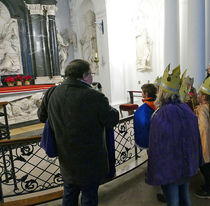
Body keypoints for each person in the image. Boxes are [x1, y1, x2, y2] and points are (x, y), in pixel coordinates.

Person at [38, 59, 119, 206]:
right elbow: (111, 120)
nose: (92, 78)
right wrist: (112, 109)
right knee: (89, 196)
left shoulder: (52, 92)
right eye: (91, 74)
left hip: (65, 155)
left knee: (69, 192)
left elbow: (42, 117)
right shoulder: (94, 96)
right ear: (84, 75)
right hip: (90, 158)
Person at [147, 64, 203, 206]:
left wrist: (156, 170)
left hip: (170, 168)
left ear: (163, 93)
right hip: (186, 164)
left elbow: (157, 146)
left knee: (173, 201)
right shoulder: (186, 109)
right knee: (184, 196)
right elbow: (194, 138)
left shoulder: (162, 114)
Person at [194, 76, 210, 199]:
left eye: (199, 94)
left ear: (204, 97)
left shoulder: (203, 109)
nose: (197, 96)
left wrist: (203, 147)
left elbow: (203, 129)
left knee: (206, 166)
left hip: (204, 144)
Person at [134, 83, 157, 149]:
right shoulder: (158, 103)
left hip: (147, 140)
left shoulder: (142, 109)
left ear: (146, 94)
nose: (141, 94)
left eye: (142, 92)